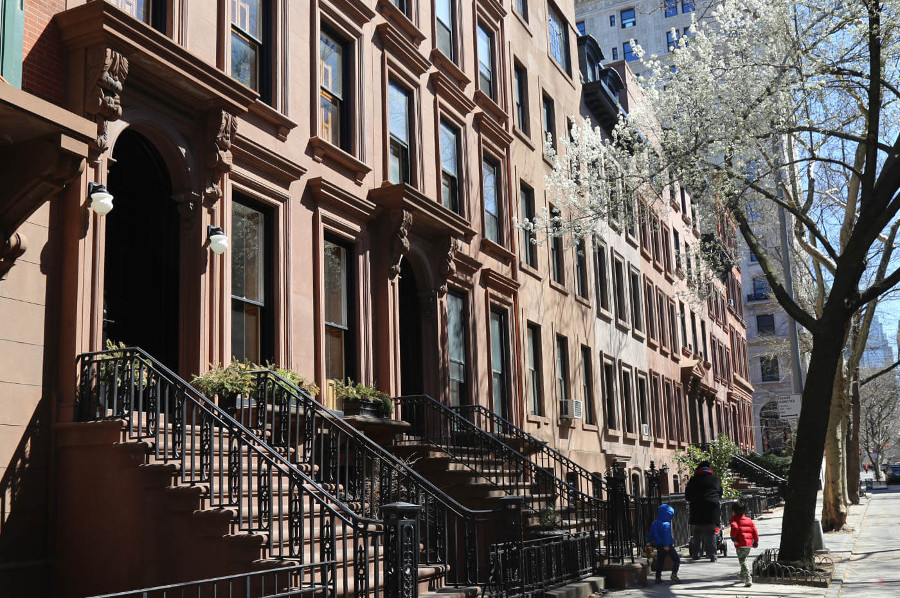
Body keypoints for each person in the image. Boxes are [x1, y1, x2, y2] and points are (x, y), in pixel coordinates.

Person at [684, 460, 723, 561]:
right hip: (712, 508)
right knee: (710, 532)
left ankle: (696, 554)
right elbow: (720, 494)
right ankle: (713, 555)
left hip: (697, 508)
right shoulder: (715, 479)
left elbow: (687, 496)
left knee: (697, 532)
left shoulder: (693, 480)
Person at [646, 503, 682, 585]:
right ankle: (674, 574)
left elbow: (651, 534)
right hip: (667, 545)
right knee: (676, 559)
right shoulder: (667, 524)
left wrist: (648, 541)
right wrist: (666, 545)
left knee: (660, 561)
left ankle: (657, 577)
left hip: (658, 545)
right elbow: (666, 535)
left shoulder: (654, 523)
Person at [729, 503, 759, 587]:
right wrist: (756, 541)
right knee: (744, 559)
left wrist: (733, 538)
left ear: (734, 511)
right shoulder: (749, 520)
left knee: (742, 560)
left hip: (740, 543)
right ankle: (742, 576)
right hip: (749, 543)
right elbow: (754, 531)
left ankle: (748, 577)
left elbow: (734, 528)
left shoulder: (734, 519)